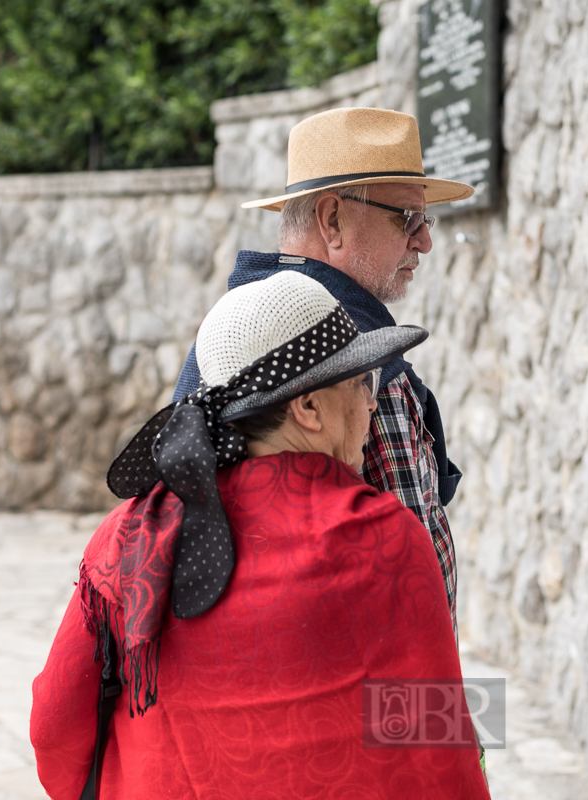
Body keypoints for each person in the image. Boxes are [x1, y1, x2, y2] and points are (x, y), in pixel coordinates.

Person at [31, 272, 490, 799]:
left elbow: (52, 731)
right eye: (362, 383)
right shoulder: (380, 540)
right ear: (308, 408)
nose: (370, 403)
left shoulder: (128, 536)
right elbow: (435, 756)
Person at [171, 107, 472, 632]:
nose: (424, 240)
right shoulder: (361, 357)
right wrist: (434, 709)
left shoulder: (228, 333)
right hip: (361, 697)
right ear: (332, 220)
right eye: (408, 218)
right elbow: (417, 588)